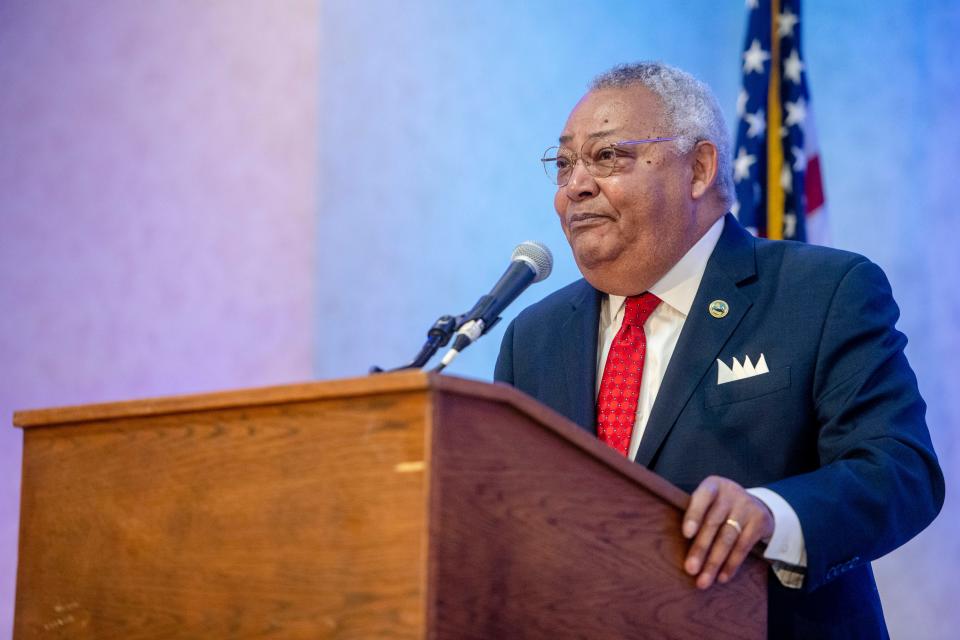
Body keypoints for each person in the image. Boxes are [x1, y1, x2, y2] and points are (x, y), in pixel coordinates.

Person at [494, 61, 944, 639]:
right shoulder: (534, 335)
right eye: (563, 165)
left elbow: (900, 471)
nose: (574, 186)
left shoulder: (822, 293)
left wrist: (771, 516)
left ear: (700, 168)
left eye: (607, 157)